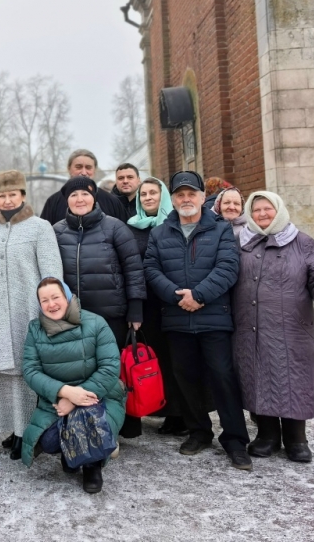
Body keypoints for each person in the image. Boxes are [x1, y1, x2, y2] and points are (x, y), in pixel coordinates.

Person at [144, 171, 251, 471]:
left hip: (214, 318)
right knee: (186, 378)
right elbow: (151, 268)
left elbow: (228, 268)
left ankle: (235, 440)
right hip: (177, 318)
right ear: (173, 199)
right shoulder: (160, 233)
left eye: (191, 193)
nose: (186, 199)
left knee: (222, 377)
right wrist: (176, 296)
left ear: (203, 197)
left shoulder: (220, 229)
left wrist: (199, 296)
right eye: (180, 194)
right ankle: (199, 432)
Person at [234, 191, 314, 463]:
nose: (262, 214)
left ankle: (297, 439)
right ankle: (267, 436)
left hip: (291, 328)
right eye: (256, 210)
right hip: (250, 327)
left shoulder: (301, 242)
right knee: (257, 377)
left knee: (293, 378)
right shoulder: (240, 243)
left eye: (267, 209)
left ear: (279, 210)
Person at [51, 176, 145, 438]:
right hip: (72, 317)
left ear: (94, 198)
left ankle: (119, 426)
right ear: (67, 200)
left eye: (85, 194)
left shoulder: (115, 227)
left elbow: (133, 269)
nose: (79, 199)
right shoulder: (56, 231)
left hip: (110, 314)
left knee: (111, 371)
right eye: (73, 195)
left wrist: (135, 308)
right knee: (79, 372)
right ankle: (85, 426)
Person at [0, 169, 62, 460]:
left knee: (28, 371)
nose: (7, 200)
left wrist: (50, 311)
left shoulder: (40, 227)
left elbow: (52, 274)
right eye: (2, 195)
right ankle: (12, 429)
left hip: (28, 311)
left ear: (23, 195)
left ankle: (29, 432)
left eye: (12, 194)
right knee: (4, 374)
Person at [21, 278, 127, 494]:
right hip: (57, 400)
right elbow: (30, 371)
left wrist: (76, 399)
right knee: (49, 441)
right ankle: (71, 452)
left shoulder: (96, 323)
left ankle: (92, 466)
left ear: (68, 297)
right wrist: (65, 392)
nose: (51, 304)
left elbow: (109, 368)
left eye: (56, 297)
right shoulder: (35, 329)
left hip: (99, 395)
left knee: (91, 424)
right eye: (44, 300)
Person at [126, 177, 188, 436]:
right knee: (154, 359)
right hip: (146, 304)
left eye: (153, 192)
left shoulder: (176, 224)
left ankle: (179, 413)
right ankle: (158, 406)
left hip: (174, 301)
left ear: (163, 196)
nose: (148, 197)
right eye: (144, 194)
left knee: (177, 360)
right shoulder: (130, 228)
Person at [40, 149, 128, 224]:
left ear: (95, 170)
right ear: (69, 169)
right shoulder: (53, 202)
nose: (84, 172)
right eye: (78, 167)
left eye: (88, 167)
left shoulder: (111, 202)